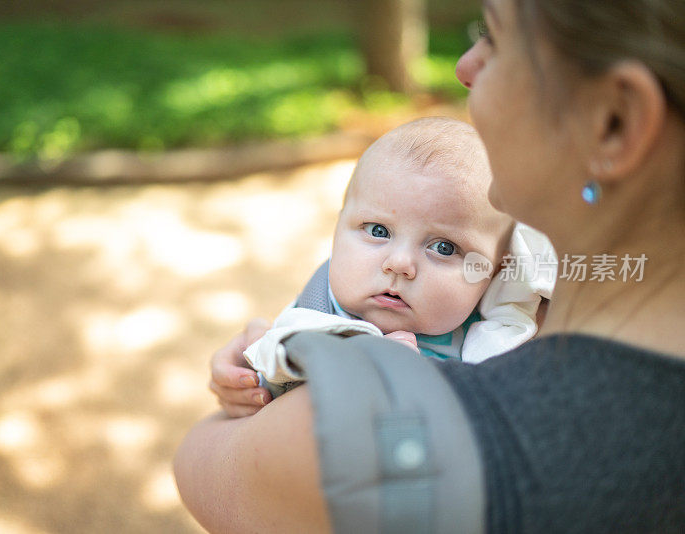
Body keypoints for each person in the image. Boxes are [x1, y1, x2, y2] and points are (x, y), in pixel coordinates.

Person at [175, 0, 685, 531]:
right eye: (377, 232)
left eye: (494, 35)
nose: (465, 65)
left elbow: (198, 462)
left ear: (614, 121)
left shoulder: (362, 433)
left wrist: (246, 396)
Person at [243, 117, 554, 399]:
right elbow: (272, 381)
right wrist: (246, 380)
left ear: (493, 272)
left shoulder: (500, 341)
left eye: (444, 248)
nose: (400, 264)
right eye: (378, 230)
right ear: (337, 228)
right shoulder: (315, 313)